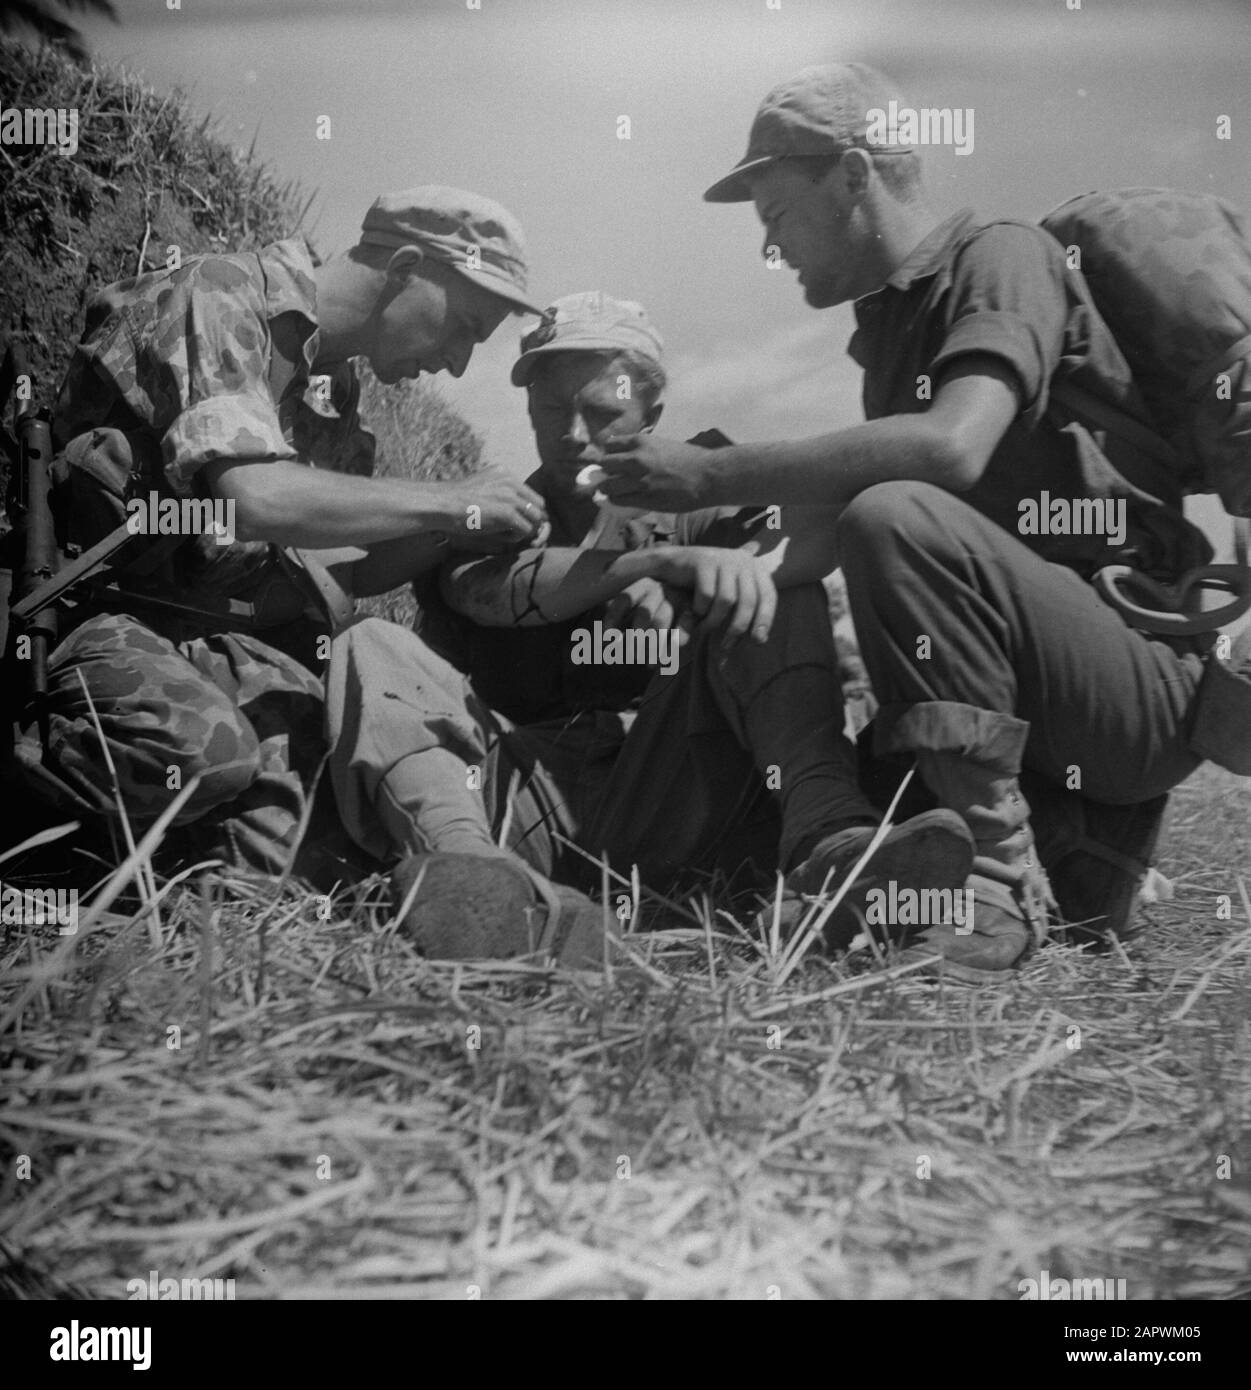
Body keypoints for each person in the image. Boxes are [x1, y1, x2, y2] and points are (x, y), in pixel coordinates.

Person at [594, 63, 1218, 980]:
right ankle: (837, 838)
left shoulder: (998, 256)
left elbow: (950, 447)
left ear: (853, 174)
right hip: (1023, 695)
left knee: (890, 513)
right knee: (772, 578)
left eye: (774, 216)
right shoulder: (890, 330)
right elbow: (819, 543)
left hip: (1131, 687)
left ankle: (994, 891)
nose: (771, 247)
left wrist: (707, 474)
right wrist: (721, 578)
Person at [327, 291, 974, 963]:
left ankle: (830, 841)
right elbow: (489, 596)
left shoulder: (701, 489)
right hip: (529, 797)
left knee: (771, 588)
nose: (573, 434)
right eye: (551, 410)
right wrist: (651, 563)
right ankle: (468, 878)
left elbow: (817, 529)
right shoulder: (500, 509)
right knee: (368, 644)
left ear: (651, 417)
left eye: (602, 413)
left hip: (674, 786)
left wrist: (732, 557)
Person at [7, 187, 550, 876]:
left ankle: (133, 873)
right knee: (204, 751)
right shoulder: (221, 294)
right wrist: (446, 500)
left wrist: (463, 527)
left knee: (324, 811)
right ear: (408, 265)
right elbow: (255, 499)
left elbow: (333, 572)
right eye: (467, 326)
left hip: (194, 632)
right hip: (82, 610)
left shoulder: (334, 396)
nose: (458, 362)